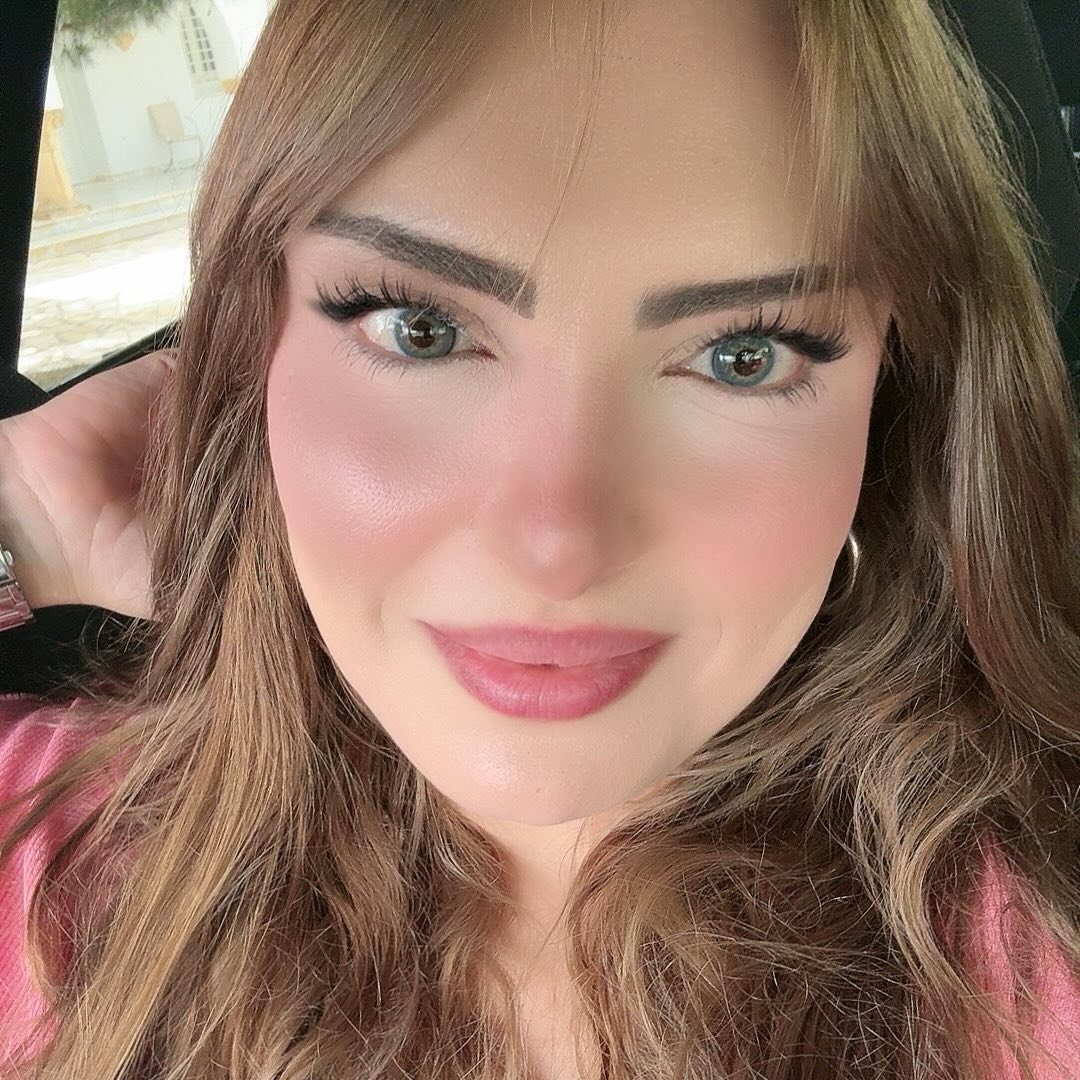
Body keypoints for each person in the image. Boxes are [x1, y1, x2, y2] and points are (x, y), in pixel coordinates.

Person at [1, 0, 1080, 1076]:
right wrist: (27, 521)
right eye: (422, 330)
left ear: (894, 408)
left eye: (743, 356)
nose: (556, 546)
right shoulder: (54, 858)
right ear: (253, 353)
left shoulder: (1035, 947)